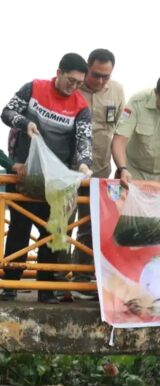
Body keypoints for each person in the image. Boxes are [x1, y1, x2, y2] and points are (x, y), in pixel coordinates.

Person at [0, 53, 93, 303]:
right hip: (25, 171)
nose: (73, 86)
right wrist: (24, 123)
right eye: (70, 80)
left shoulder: (81, 107)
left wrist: (85, 163)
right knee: (19, 227)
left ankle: (46, 289)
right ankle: (9, 284)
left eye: (78, 83)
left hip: (56, 178)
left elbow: (84, 138)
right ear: (59, 72)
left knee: (50, 231)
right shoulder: (34, 88)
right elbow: (7, 112)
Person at [73, 48, 126, 297]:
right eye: (96, 75)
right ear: (87, 68)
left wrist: (120, 167)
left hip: (101, 169)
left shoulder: (116, 91)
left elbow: (118, 133)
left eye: (106, 75)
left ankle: (83, 278)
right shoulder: (73, 87)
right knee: (60, 222)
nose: (101, 80)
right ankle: (57, 279)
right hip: (69, 169)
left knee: (90, 224)